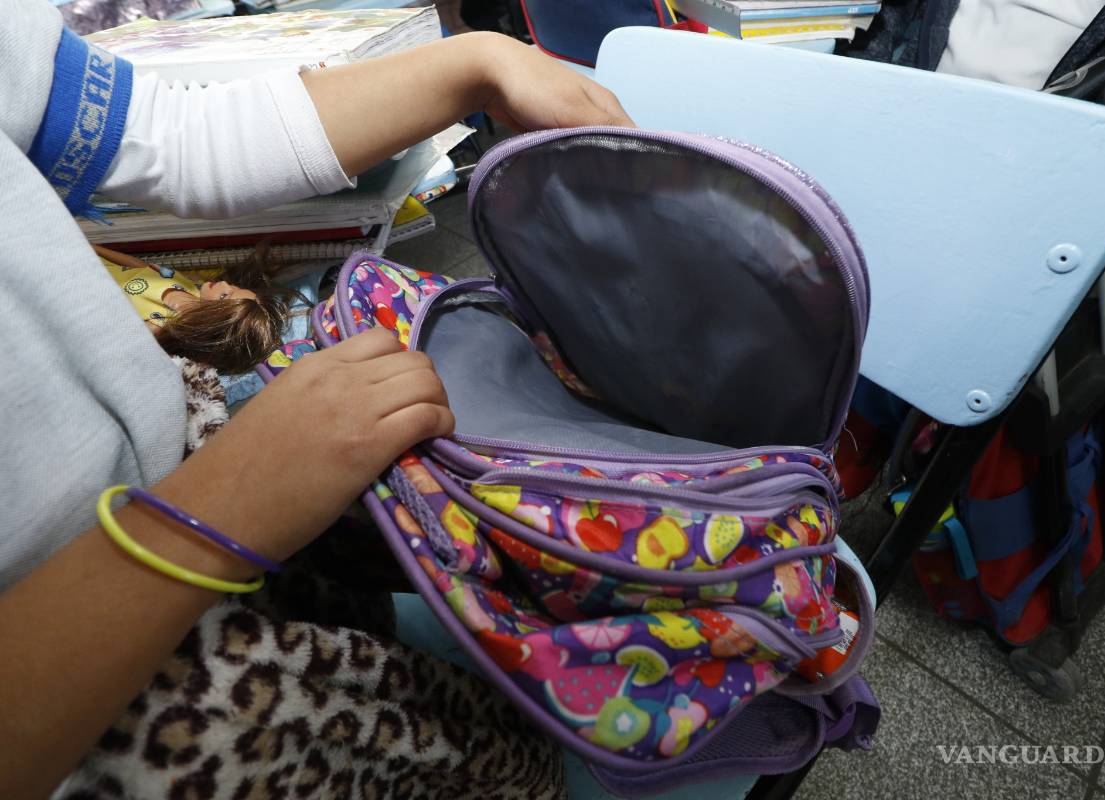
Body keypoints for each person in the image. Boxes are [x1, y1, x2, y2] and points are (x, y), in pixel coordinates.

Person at [0, 0, 633, 795]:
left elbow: (162, 136)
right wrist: (223, 508)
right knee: (516, 764)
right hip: (109, 702)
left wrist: (475, 64)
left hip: (188, 502)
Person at [847, 0, 1105, 142]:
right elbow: (886, 11)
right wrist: (867, 82)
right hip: (915, 106)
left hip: (1050, 142)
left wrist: (1070, 118)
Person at [96, 245, 290, 373]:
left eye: (224, 296)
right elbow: (140, 267)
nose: (223, 284)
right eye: (233, 287)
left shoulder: (159, 326)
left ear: (214, 322)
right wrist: (90, 245)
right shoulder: (191, 288)